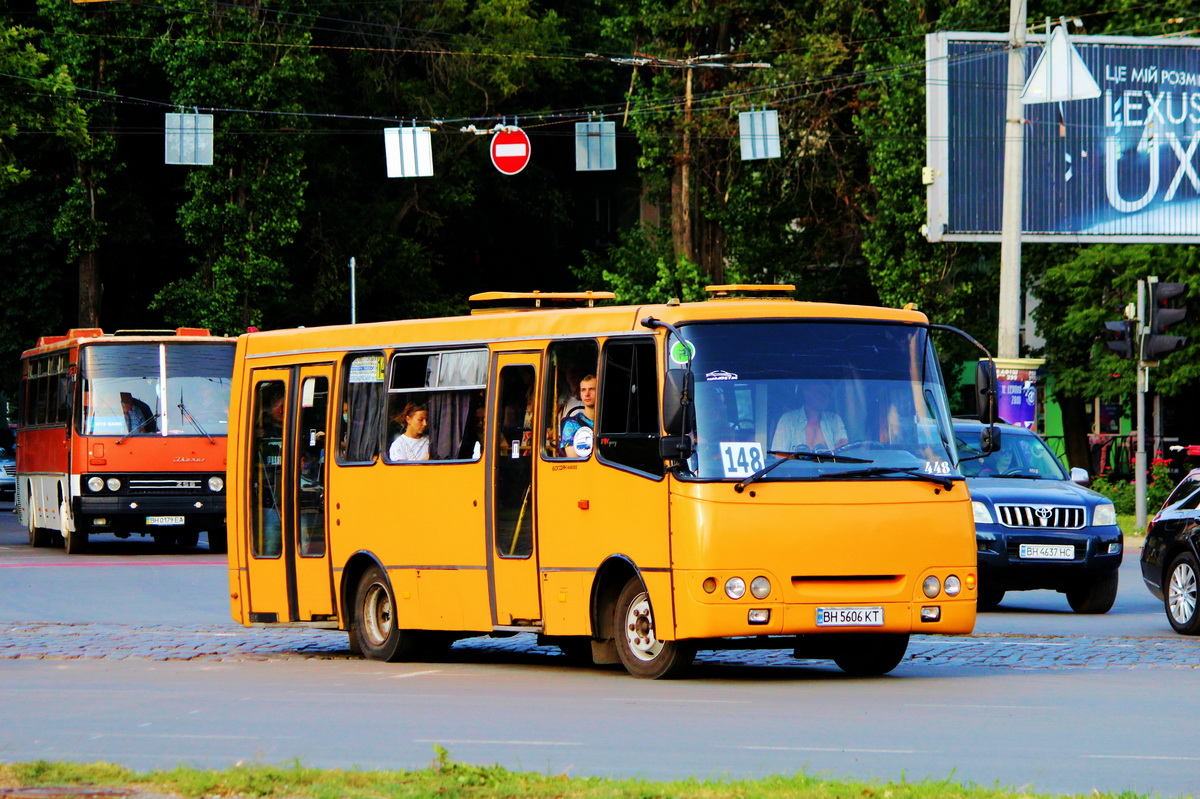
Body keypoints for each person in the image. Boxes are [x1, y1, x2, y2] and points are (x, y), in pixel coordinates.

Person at [771, 382, 848, 453]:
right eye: (820, 392)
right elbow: (779, 455)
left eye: (828, 394)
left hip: (829, 467)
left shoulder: (834, 419)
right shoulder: (788, 420)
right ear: (806, 394)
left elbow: (844, 446)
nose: (825, 397)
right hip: (797, 468)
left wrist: (842, 445)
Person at [560, 374, 596, 458]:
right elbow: (574, 461)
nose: (587, 394)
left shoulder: (610, 422)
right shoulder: (572, 424)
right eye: (583, 390)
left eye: (592, 389)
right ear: (580, 393)